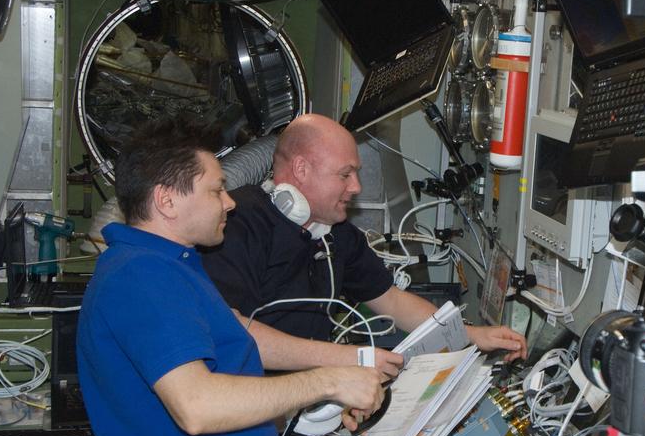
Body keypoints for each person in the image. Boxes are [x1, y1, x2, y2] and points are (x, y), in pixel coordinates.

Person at [77, 115, 488, 436]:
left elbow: (248, 342)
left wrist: (350, 365)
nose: (229, 202)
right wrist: (325, 381)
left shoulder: (170, 267)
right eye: (216, 189)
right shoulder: (139, 279)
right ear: (168, 201)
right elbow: (196, 406)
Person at [201, 113, 527, 370]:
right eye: (345, 174)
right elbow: (231, 332)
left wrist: (469, 335)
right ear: (300, 169)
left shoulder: (334, 229)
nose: (356, 186)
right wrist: (347, 360)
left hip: (312, 389)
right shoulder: (236, 223)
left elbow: (393, 301)